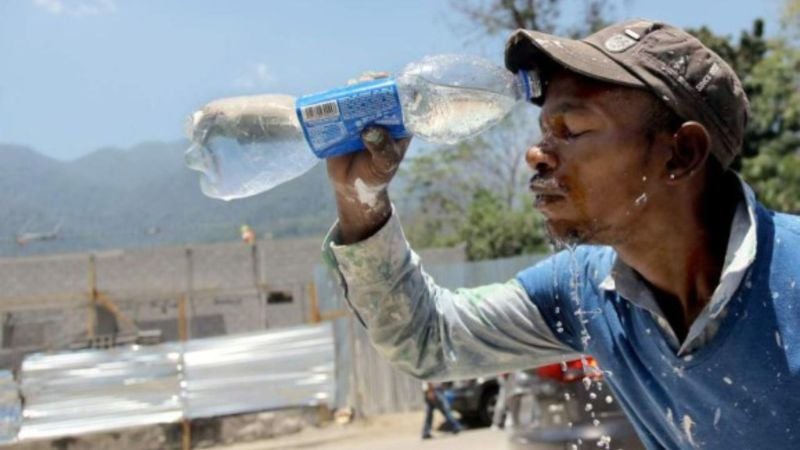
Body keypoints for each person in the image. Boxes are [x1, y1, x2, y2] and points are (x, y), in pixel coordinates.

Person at [321, 19, 800, 450]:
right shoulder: (588, 293)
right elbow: (430, 338)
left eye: (571, 129)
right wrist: (361, 199)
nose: (537, 153)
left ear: (681, 153)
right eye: (543, 129)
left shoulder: (789, 279)